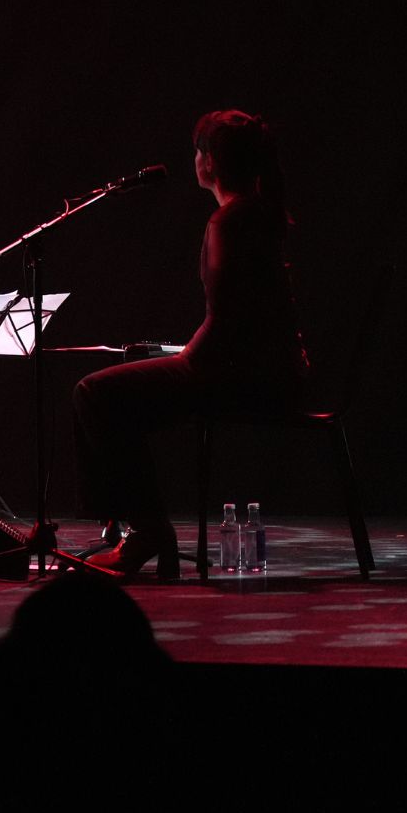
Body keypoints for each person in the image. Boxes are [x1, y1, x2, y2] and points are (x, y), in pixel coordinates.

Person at [73, 111, 309, 576]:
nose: (194, 159)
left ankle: (141, 531)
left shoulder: (229, 220)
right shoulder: (257, 213)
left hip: (244, 379)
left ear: (210, 163)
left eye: (198, 150)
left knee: (95, 393)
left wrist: (185, 358)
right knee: (119, 398)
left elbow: (226, 321)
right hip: (269, 372)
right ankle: (136, 527)